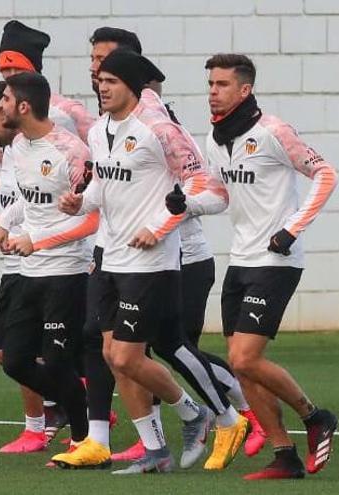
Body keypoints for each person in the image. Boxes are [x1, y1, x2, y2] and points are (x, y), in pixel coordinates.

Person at [56, 50, 248, 473]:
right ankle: (156, 452)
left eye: (111, 80)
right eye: (99, 79)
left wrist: (163, 223)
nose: (102, 86)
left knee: (128, 357)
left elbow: (213, 192)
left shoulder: (160, 129)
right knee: (112, 356)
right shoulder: (100, 129)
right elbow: (101, 189)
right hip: (109, 258)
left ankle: (194, 414)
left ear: (133, 85)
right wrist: (79, 202)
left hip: (151, 263)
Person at [196, 53, 338, 480]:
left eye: (222, 84)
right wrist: (188, 206)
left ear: (245, 90)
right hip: (240, 260)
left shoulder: (274, 131)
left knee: (244, 356)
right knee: (240, 365)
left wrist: (292, 228)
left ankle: (315, 416)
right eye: (210, 84)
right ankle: (284, 454)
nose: (213, 92)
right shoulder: (214, 139)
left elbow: (326, 174)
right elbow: (220, 196)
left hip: (277, 261)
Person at [0, 19, 97, 446]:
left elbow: (90, 215)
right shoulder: (19, 146)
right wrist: (1, 224)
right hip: (26, 267)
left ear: (24, 106)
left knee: (59, 360)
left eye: (8, 94)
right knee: (13, 359)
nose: (2, 96)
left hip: (64, 271)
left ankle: (84, 441)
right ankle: (79, 404)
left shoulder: (70, 148)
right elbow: (20, 199)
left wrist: (40, 238)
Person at [0, 81, 52, 453]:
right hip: (13, 266)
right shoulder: (9, 153)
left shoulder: (40, 152)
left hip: (39, 264)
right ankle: (67, 400)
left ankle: (38, 428)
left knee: (23, 353)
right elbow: (14, 200)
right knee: (5, 353)